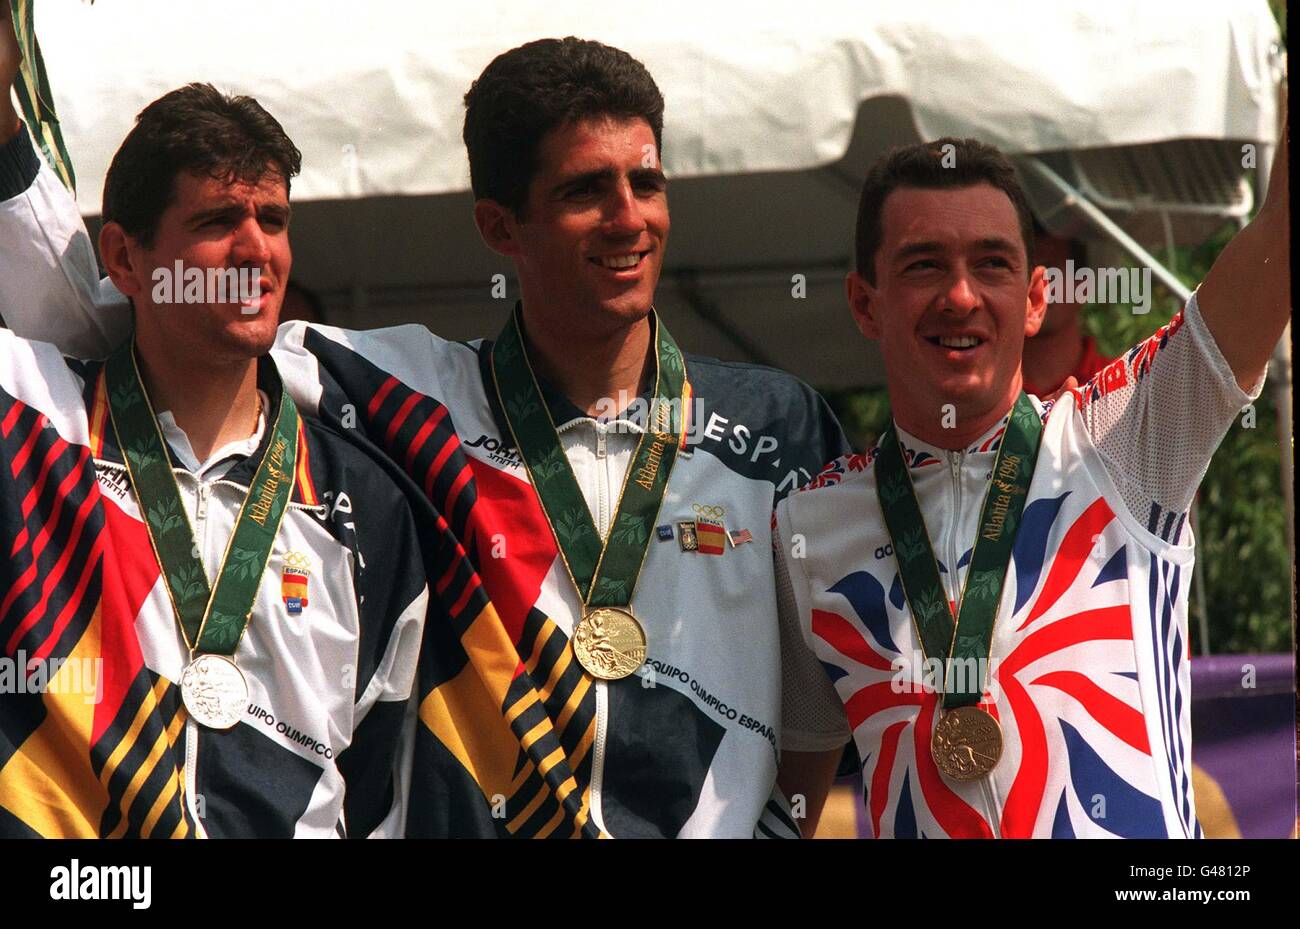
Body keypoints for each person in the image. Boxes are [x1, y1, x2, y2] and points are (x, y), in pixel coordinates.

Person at [0, 37, 850, 837]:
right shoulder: (405, 397)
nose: (629, 218)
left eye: (647, 183)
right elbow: (125, 323)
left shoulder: (779, 425)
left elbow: (820, 697)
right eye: (584, 191)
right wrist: (7, 133)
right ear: (498, 227)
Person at [773, 132, 1288, 837]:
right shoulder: (810, 525)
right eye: (924, 265)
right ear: (866, 304)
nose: (961, 296)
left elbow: (1280, 238)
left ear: (1037, 297)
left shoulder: (1123, 440)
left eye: (993, 264)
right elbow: (784, 809)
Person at [0, 12, 426, 837]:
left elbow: (378, 787)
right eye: (215, 222)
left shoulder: (365, 503)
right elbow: (40, 266)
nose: (254, 251)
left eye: (272, 219)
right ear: (124, 259)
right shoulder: (33, 419)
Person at [1021, 227, 1113, 398]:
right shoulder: (981, 384)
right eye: (1029, 271)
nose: (1039, 285)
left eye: (1050, 270)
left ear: (1083, 284)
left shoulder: (1120, 381)